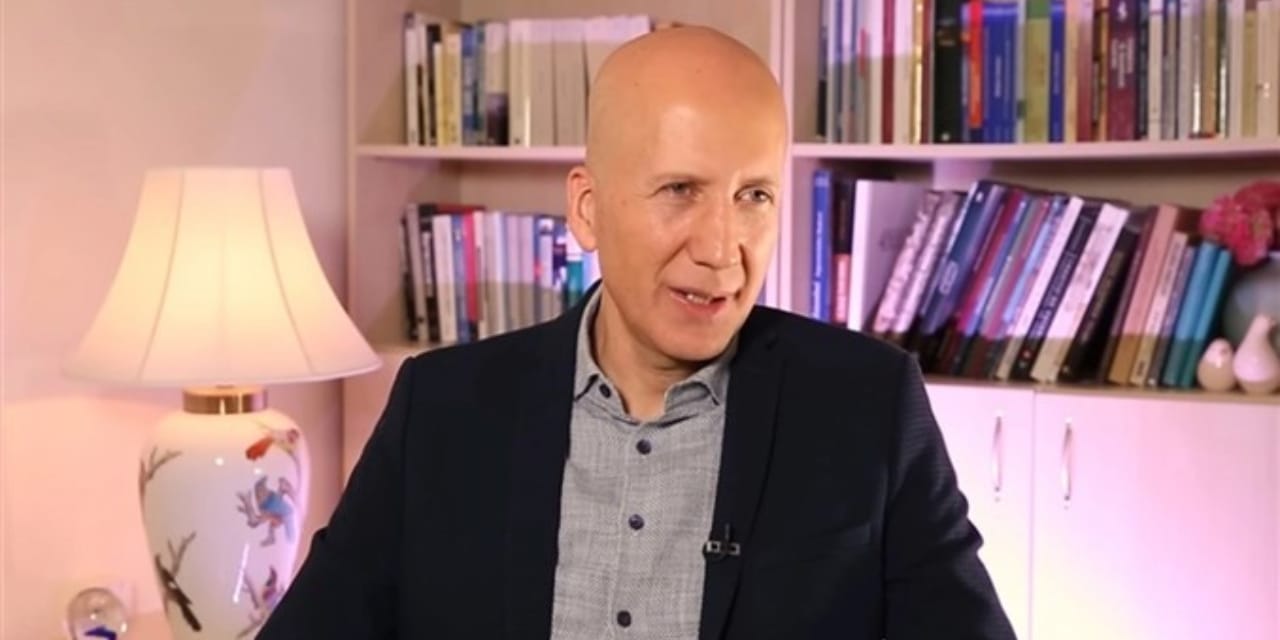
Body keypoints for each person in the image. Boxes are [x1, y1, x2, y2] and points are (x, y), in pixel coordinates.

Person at [258, 25, 1014, 640]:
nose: (722, 250)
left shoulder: (868, 406)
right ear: (586, 209)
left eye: (754, 196)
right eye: (680, 190)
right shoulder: (442, 408)